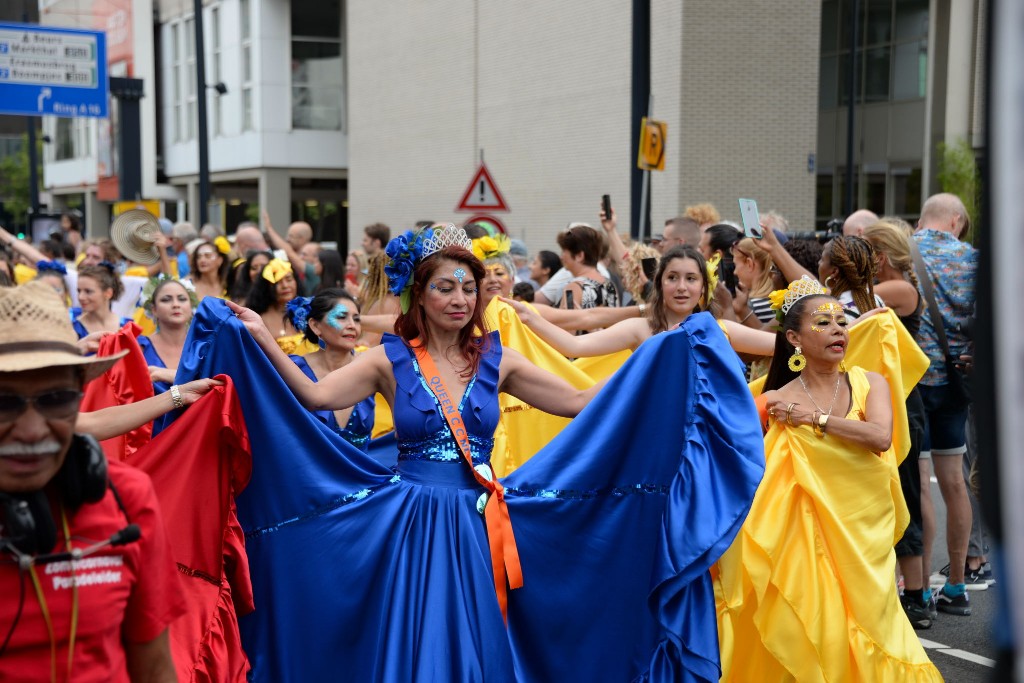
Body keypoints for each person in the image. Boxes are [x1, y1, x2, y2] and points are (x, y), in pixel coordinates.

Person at [207, 224, 764, 681]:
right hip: (413, 524)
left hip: (479, 523)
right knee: (417, 645)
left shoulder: (497, 359)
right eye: (445, 288)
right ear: (419, 294)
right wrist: (260, 337)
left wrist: (659, 361)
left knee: (478, 643)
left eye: (468, 288)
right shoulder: (389, 360)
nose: (459, 299)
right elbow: (312, 396)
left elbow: (577, 400)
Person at [716, 276, 941, 681]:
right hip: (801, 539)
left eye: (842, 322)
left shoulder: (871, 382)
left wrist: (814, 420)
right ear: (794, 339)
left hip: (863, 533)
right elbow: (731, 454)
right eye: (823, 323)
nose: (838, 330)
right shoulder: (772, 400)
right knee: (816, 623)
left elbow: (880, 437)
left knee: (875, 623)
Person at [0, 281, 184, 682]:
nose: (32, 431)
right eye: (3, 403)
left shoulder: (127, 500)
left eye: (56, 400)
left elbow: (155, 669)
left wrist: (178, 396)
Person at [505, 245, 774, 359]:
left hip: (704, 446)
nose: (681, 287)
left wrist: (805, 306)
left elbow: (786, 345)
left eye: (691, 279)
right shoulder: (639, 329)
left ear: (703, 286)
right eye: (672, 278)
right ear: (659, 284)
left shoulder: (722, 330)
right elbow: (575, 344)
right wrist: (528, 317)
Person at [913, 192, 978, 615]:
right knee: (953, 482)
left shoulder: (904, 250)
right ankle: (956, 584)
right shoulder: (973, 259)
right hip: (958, 380)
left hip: (914, 379)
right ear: (955, 220)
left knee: (921, 485)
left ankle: (917, 589)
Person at [284, 290, 375, 451]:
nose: (352, 326)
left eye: (357, 319)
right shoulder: (294, 368)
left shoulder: (372, 365)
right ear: (315, 326)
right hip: (310, 474)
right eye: (341, 317)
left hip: (363, 473)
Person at [138, 278, 197, 397]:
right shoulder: (140, 346)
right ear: (154, 310)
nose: (176, 304)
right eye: (166, 300)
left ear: (191, 308)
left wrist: (167, 374)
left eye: (182, 299)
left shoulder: (204, 347)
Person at [244, 258, 314, 355]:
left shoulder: (310, 312)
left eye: (289, 279)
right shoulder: (260, 320)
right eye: (277, 282)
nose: (285, 285)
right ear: (267, 287)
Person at [556, 224, 619, 310]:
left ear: (579, 256)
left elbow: (567, 321)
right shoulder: (610, 285)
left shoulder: (573, 287)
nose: (561, 257)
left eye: (564, 251)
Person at [73, 263, 130, 339]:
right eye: (79, 291)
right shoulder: (74, 328)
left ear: (108, 293)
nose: (81, 297)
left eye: (88, 291)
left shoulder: (127, 326)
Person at [730, 237, 776, 327]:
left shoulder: (751, 307)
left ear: (749, 263)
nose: (735, 272)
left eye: (735, 265)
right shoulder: (779, 303)